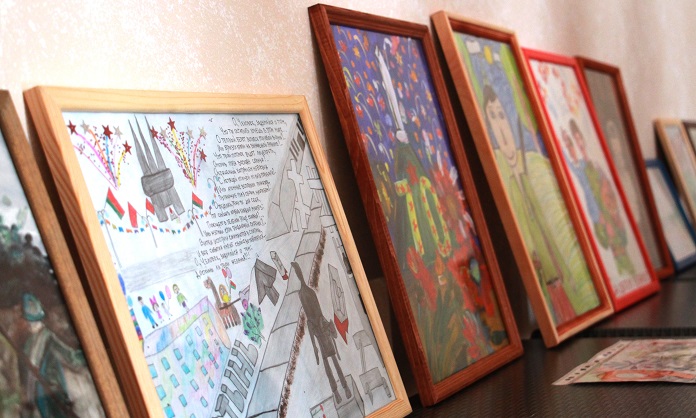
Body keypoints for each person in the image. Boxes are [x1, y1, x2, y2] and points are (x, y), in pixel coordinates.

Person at [483, 84, 580, 324]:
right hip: (536, 292)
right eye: (492, 117)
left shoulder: (534, 165)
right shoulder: (498, 170)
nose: (500, 124)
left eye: (501, 114)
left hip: (559, 283)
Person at [291, 261, 351, 404]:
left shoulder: (305, 293)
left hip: (321, 328)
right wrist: (314, 345)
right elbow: (311, 317)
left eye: (296, 274)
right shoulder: (304, 293)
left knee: (332, 363)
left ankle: (343, 388)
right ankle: (338, 391)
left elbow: (317, 312)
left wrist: (320, 329)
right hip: (319, 329)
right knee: (330, 364)